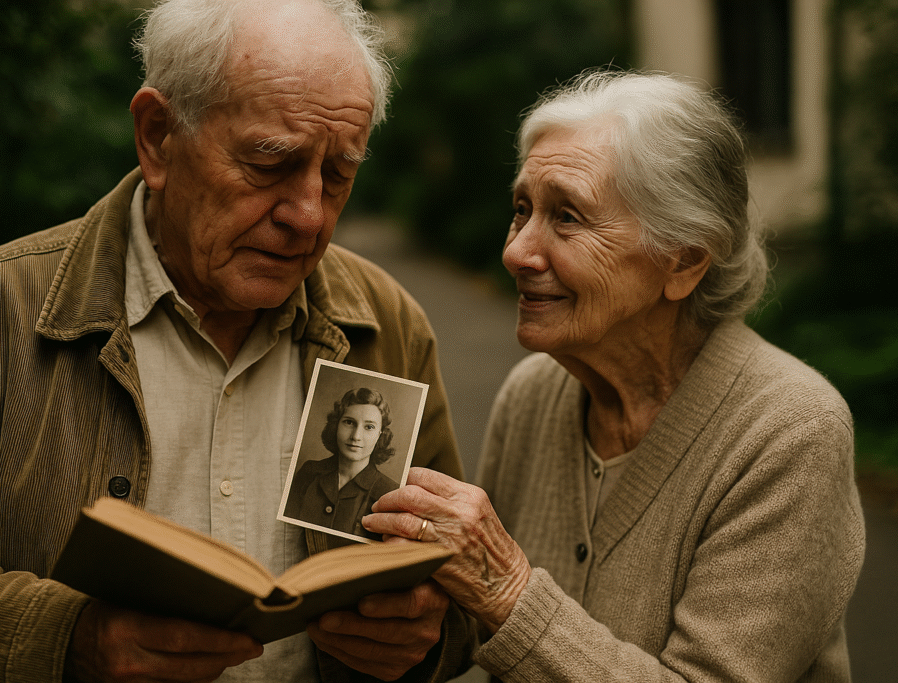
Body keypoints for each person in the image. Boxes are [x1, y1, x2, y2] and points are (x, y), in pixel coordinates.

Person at [0, 1, 474, 681]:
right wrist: (69, 639)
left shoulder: (387, 326)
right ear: (158, 136)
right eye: (270, 162)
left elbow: (458, 600)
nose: (310, 215)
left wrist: (426, 633)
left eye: (338, 171)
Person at [364, 69, 866, 682]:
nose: (517, 251)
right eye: (522, 210)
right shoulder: (533, 395)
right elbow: (475, 634)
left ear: (682, 262)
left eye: (568, 217)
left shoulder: (788, 432)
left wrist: (508, 590)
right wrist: (404, 632)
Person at [284, 388, 399, 540]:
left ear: (380, 435)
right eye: (349, 422)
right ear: (336, 425)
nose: (356, 436)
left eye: (369, 427)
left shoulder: (389, 492)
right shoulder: (309, 472)